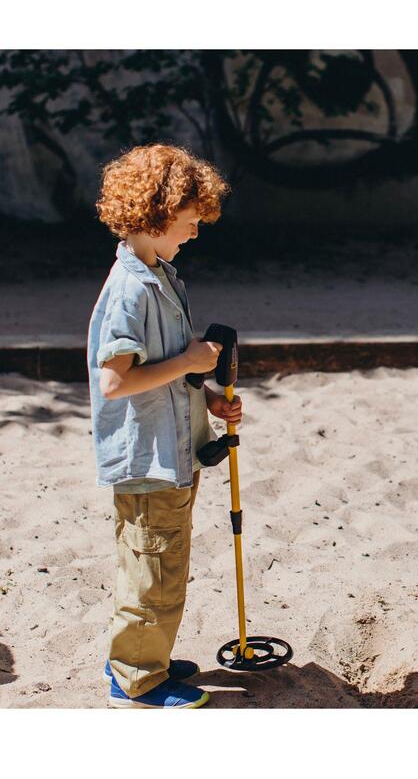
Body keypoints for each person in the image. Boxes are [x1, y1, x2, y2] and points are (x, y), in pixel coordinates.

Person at [88, 144, 241, 708]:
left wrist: (204, 393)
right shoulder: (130, 289)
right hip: (149, 459)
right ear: (154, 218)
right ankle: (137, 678)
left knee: (161, 562)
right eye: (189, 223)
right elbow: (116, 382)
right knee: (151, 569)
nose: (195, 234)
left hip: (176, 449)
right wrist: (189, 363)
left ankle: (142, 653)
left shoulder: (163, 274)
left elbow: (171, 365)